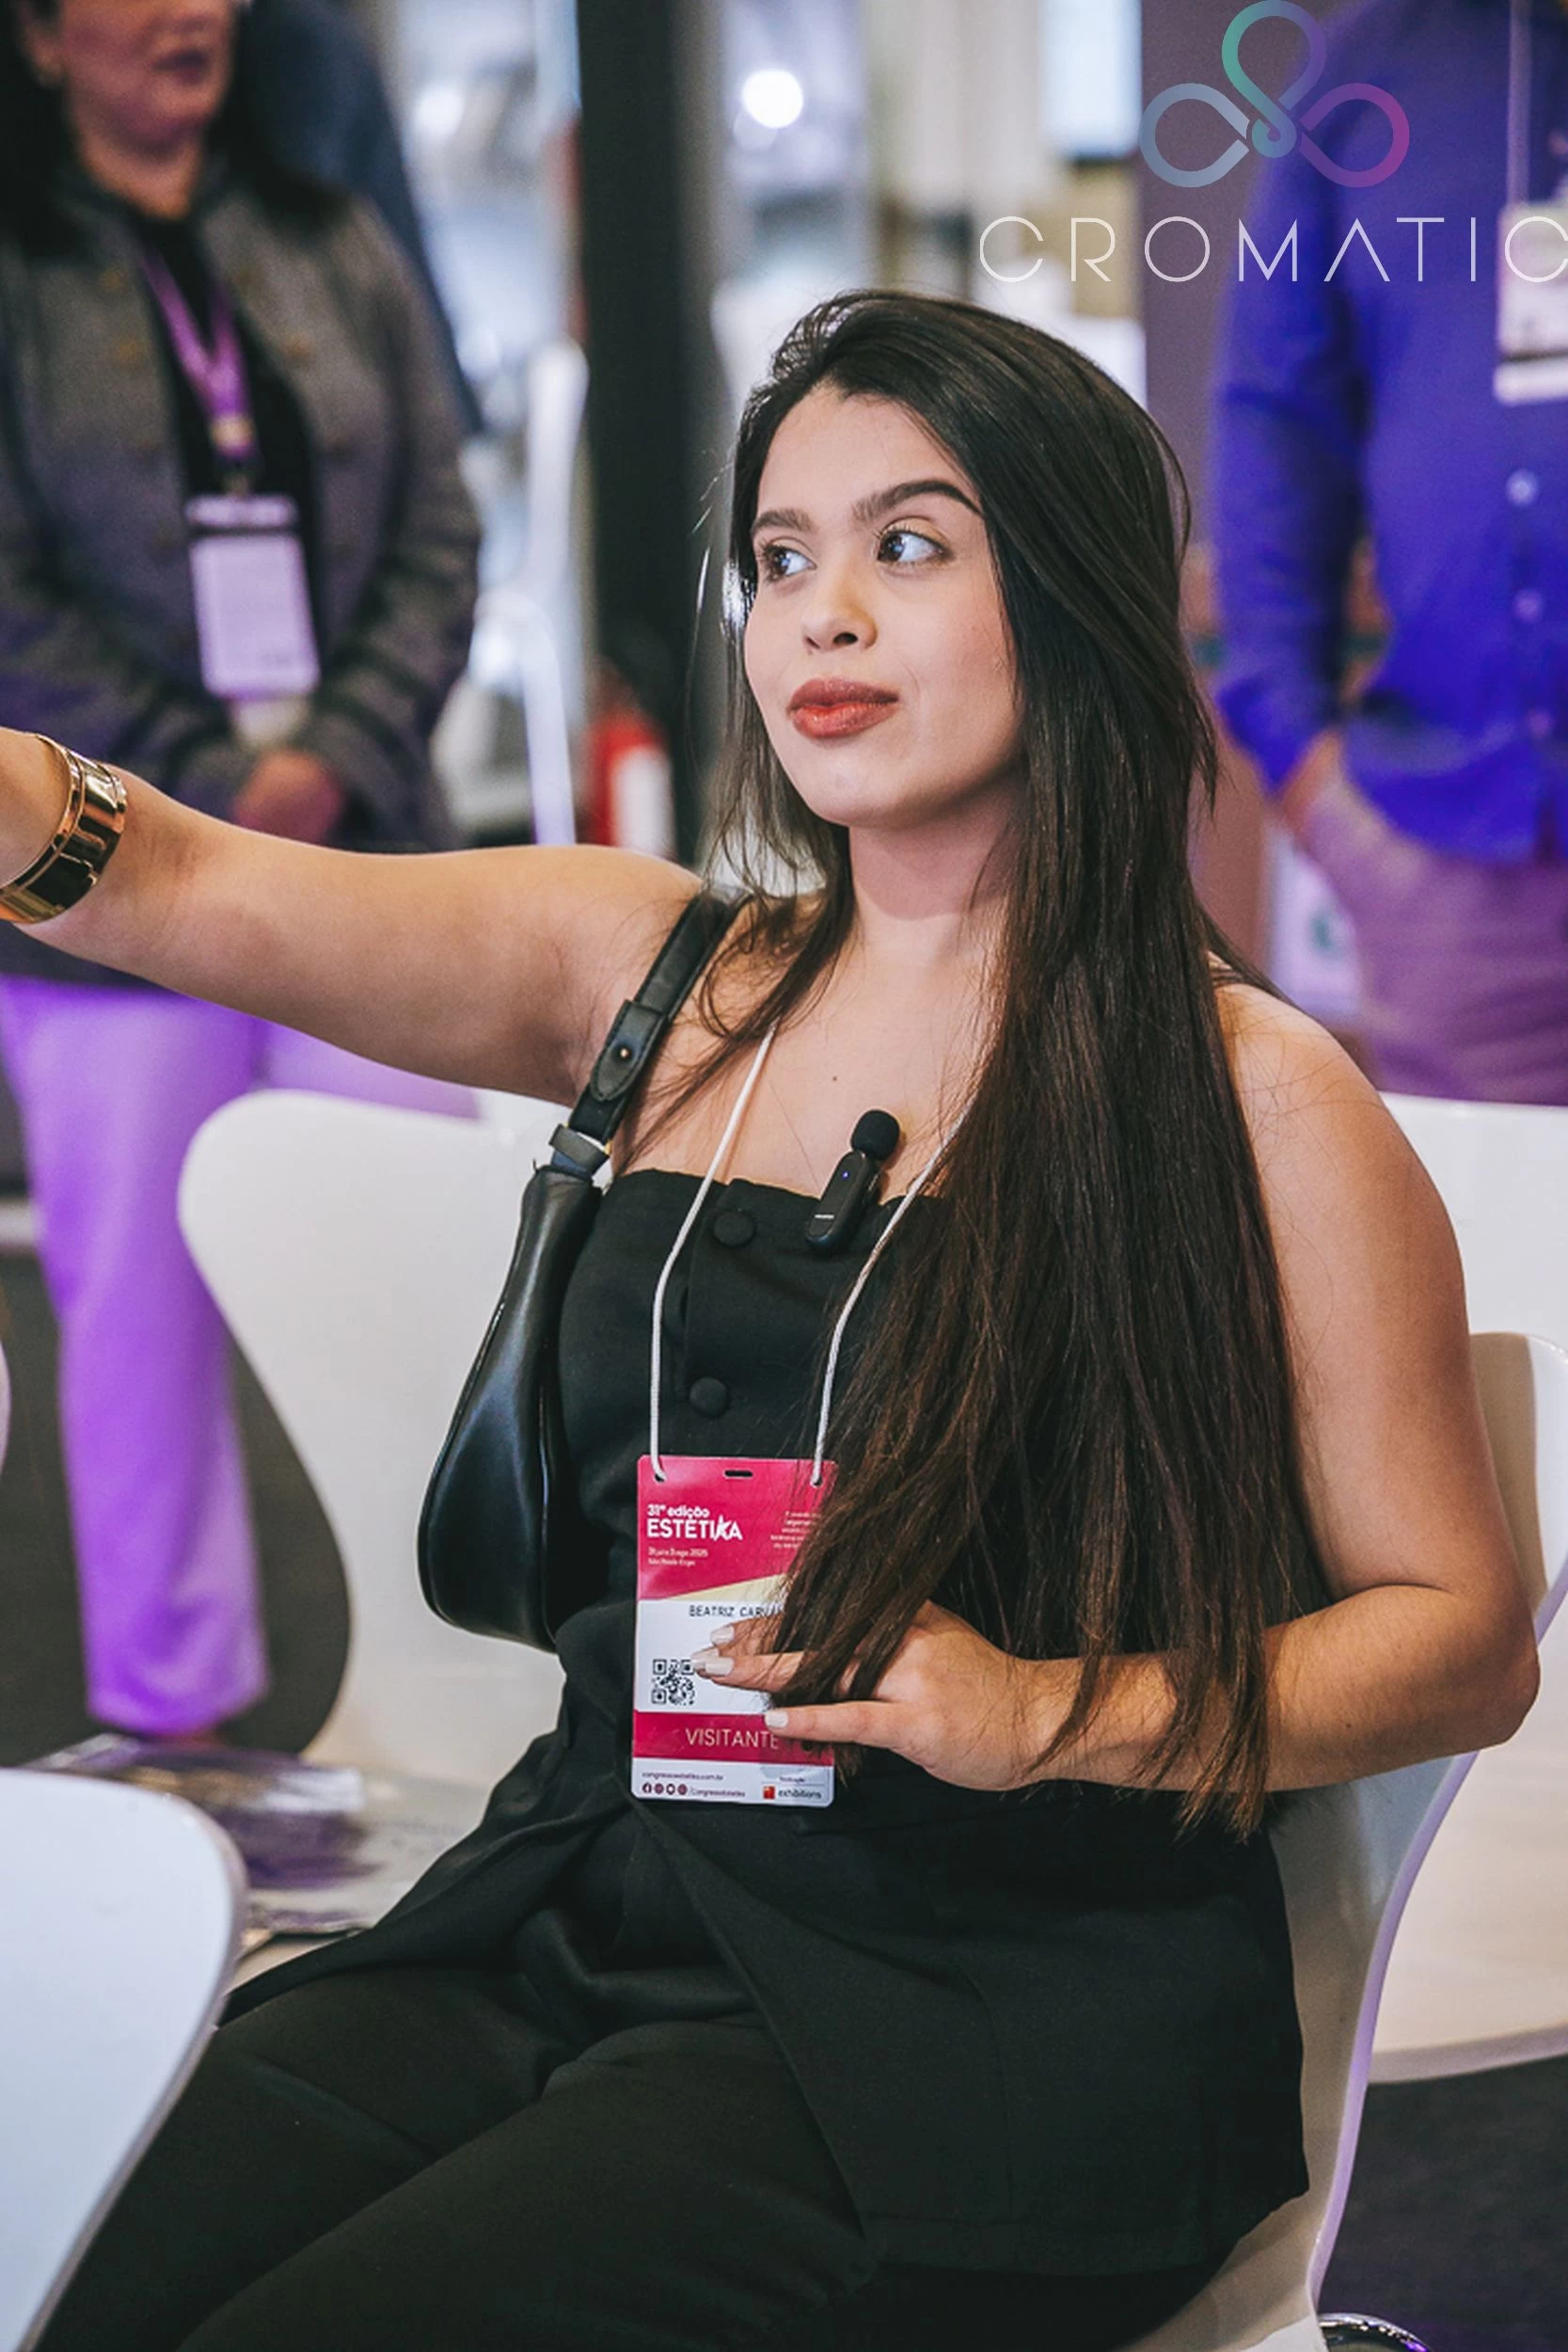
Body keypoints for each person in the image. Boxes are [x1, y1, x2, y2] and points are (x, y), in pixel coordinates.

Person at [5, 290, 1537, 2352]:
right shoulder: (646, 973)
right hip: (569, 1892)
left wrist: (1040, 1708)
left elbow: (1457, 1636)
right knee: (71, 2267)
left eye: (906, 544)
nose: (824, 612)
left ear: (1071, 590)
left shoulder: (1251, 1095)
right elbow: (180, 882)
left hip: (974, 2014)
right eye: (783, 555)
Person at [0, 0, 481, 1740]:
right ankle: (172, 1745)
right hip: (99, 895)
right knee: (135, 1340)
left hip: (359, 854)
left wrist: (331, 751)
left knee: (446, 1286)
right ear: (41, 38)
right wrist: (203, 791)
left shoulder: (331, 232)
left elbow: (441, 519)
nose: (186, 10)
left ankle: (485, 1709)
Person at [1212, 0, 1568, 1103]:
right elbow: (1275, 421)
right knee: (1487, 1220)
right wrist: (1300, 760)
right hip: (1455, 868)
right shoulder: (1364, 75)